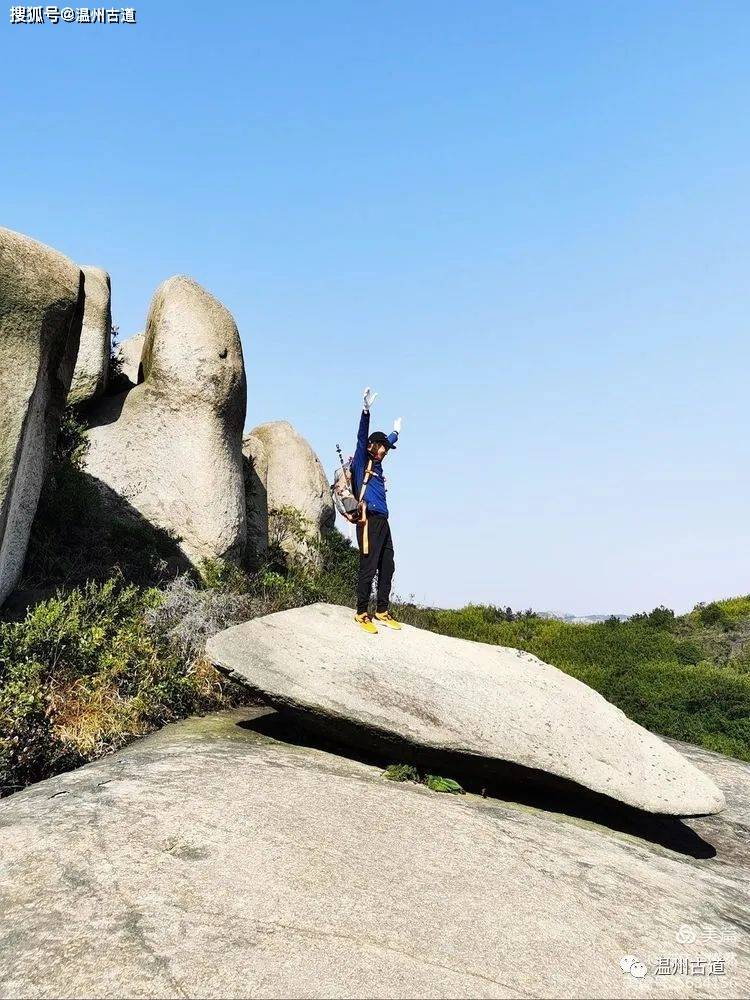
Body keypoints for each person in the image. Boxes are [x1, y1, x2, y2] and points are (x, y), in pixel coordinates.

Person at [351, 386, 403, 633]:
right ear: (374, 446)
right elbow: (363, 438)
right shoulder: (363, 460)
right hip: (368, 519)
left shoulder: (379, 463)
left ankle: (381, 610)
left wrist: (395, 433)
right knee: (368, 566)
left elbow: (389, 441)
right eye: (382, 448)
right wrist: (365, 411)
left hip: (384, 520)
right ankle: (362, 612)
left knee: (388, 563)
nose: (385, 452)